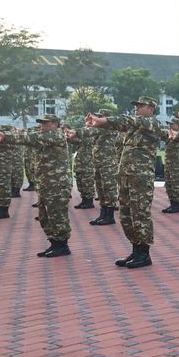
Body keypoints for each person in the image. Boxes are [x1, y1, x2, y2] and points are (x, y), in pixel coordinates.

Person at [86, 97, 162, 269]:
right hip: (127, 176)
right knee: (127, 215)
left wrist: (102, 120)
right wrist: (101, 123)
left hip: (140, 178)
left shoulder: (152, 123)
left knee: (140, 214)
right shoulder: (135, 128)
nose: (137, 108)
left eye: (140, 106)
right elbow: (121, 124)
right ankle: (135, 250)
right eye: (136, 105)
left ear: (151, 109)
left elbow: (125, 120)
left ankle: (144, 253)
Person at [4, 115, 73, 257]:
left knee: (57, 215)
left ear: (55, 124)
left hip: (57, 184)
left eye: (45, 123)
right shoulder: (45, 137)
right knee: (44, 215)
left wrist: (6, 136)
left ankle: (62, 245)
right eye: (41, 123)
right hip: (46, 183)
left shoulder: (56, 135)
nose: (42, 126)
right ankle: (54, 243)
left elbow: (29, 138)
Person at [83, 107, 120, 226]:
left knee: (108, 189)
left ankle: (109, 216)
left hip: (108, 164)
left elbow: (89, 132)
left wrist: (87, 126)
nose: (97, 119)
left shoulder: (109, 128)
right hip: (99, 163)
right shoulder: (100, 130)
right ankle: (103, 214)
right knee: (100, 188)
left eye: (100, 117)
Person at [161, 118, 179, 214]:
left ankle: (177, 205)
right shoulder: (169, 134)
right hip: (169, 164)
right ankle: (172, 204)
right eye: (169, 124)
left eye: (172, 124)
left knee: (176, 184)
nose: (170, 126)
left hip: (177, 164)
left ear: (178, 125)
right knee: (169, 184)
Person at [0, 125, 18, 219]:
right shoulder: (1, 138)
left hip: (3, 168)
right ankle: (0, 209)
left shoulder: (9, 138)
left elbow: (9, 135)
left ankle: (4, 211)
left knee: (3, 189)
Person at [69, 117, 96, 210]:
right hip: (80, 162)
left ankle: (89, 201)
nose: (87, 124)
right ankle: (84, 199)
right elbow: (76, 141)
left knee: (87, 181)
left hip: (87, 163)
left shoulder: (93, 134)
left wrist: (74, 132)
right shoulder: (84, 135)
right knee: (80, 182)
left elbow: (85, 138)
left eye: (89, 122)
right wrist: (69, 137)